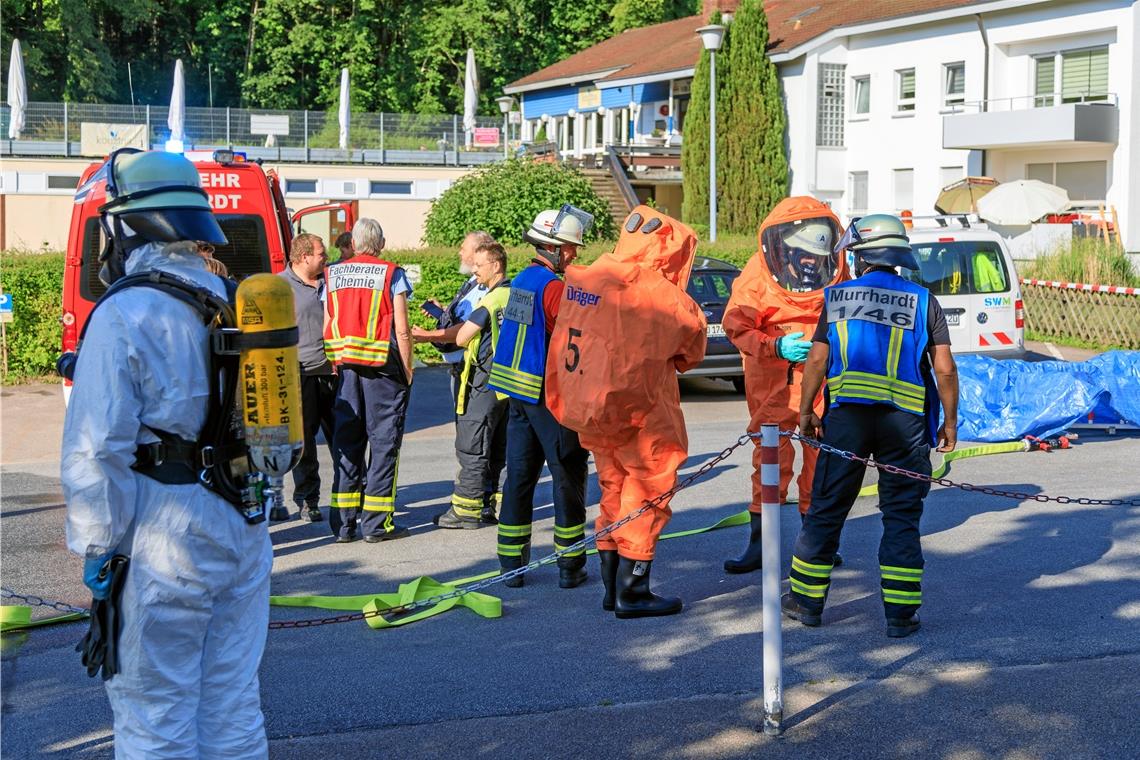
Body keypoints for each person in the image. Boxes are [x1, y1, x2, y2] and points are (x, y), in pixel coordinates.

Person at [61, 149, 272, 756]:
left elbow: (98, 448)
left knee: (155, 717)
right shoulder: (239, 299)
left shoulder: (125, 312)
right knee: (233, 703)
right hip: (243, 525)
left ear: (128, 225)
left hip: (164, 535)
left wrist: (98, 546)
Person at [781, 213, 959, 639]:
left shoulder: (837, 297)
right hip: (905, 425)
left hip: (847, 422)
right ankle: (900, 615)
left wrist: (806, 411)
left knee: (826, 508)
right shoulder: (922, 300)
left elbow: (818, 361)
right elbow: (946, 369)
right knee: (901, 515)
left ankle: (806, 602)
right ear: (897, 256)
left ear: (860, 257)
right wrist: (950, 422)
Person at [547, 206, 706, 618]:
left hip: (592, 404)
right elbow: (691, 352)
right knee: (648, 490)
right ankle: (633, 591)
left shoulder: (588, 274)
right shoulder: (661, 292)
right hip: (642, 408)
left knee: (613, 489)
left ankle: (610, 586)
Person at [722, 197, 847, 574]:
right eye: (804, 253)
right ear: (786, 247)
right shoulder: (758, 276)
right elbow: (736, 325)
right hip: (772, 383)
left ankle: (815, 546)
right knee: (771, 465)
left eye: (816, 255)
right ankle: (762, 544)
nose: (810, 261)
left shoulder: (838, 273)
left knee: (820, 465)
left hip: (818, 385)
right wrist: (774, 345)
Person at [488, 206, 591, 588]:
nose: (574, 255)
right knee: (568, 473)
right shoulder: (553, 288)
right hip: (547, 396)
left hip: (516, 395)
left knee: (519, 478)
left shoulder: (521, 280)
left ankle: (511, 566)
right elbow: (573, 338)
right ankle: (571, 565)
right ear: (551, 247)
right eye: (569, 248)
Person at [324, 218, 414, 543]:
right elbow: (402, 328)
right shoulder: (392, 273)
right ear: (381, 243)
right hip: (382, 370)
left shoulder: (333, 273)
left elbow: (328, 321)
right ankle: (377, 525)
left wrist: (335, 362)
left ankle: (344, 526)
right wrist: (408, 368)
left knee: (347, 446)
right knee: (384, 443)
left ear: (354, 242)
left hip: (346, 368)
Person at [416, 241, 511, 528]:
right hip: (506, 385)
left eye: (479, 266)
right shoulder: (517, 295)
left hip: (482, 382)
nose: (475, 271)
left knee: (472, 445)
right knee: (496, 447)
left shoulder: (491, 300)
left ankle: (465, 511)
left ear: (495, 266)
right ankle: (490, 506)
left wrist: (428, 335)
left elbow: (461, 337)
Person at [279, 232, 335, 522]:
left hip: (335, 372)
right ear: (304, 257)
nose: (326, 258)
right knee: (306, 444)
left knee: (345, 440)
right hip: (301, 375)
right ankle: (307, 500)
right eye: (322, 254)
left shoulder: (331, 282)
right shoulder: (280, 286)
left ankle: (350, 497)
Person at [413, 230, 495, 412]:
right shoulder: (473, 282)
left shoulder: (483, 286)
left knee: (470, 430)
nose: (459, 252)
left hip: (469, 369)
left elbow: (466, 328)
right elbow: (464, 319)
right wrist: (442, 311)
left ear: (477, 253)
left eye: (463, 248)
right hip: (460, 368)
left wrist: (428, 336)